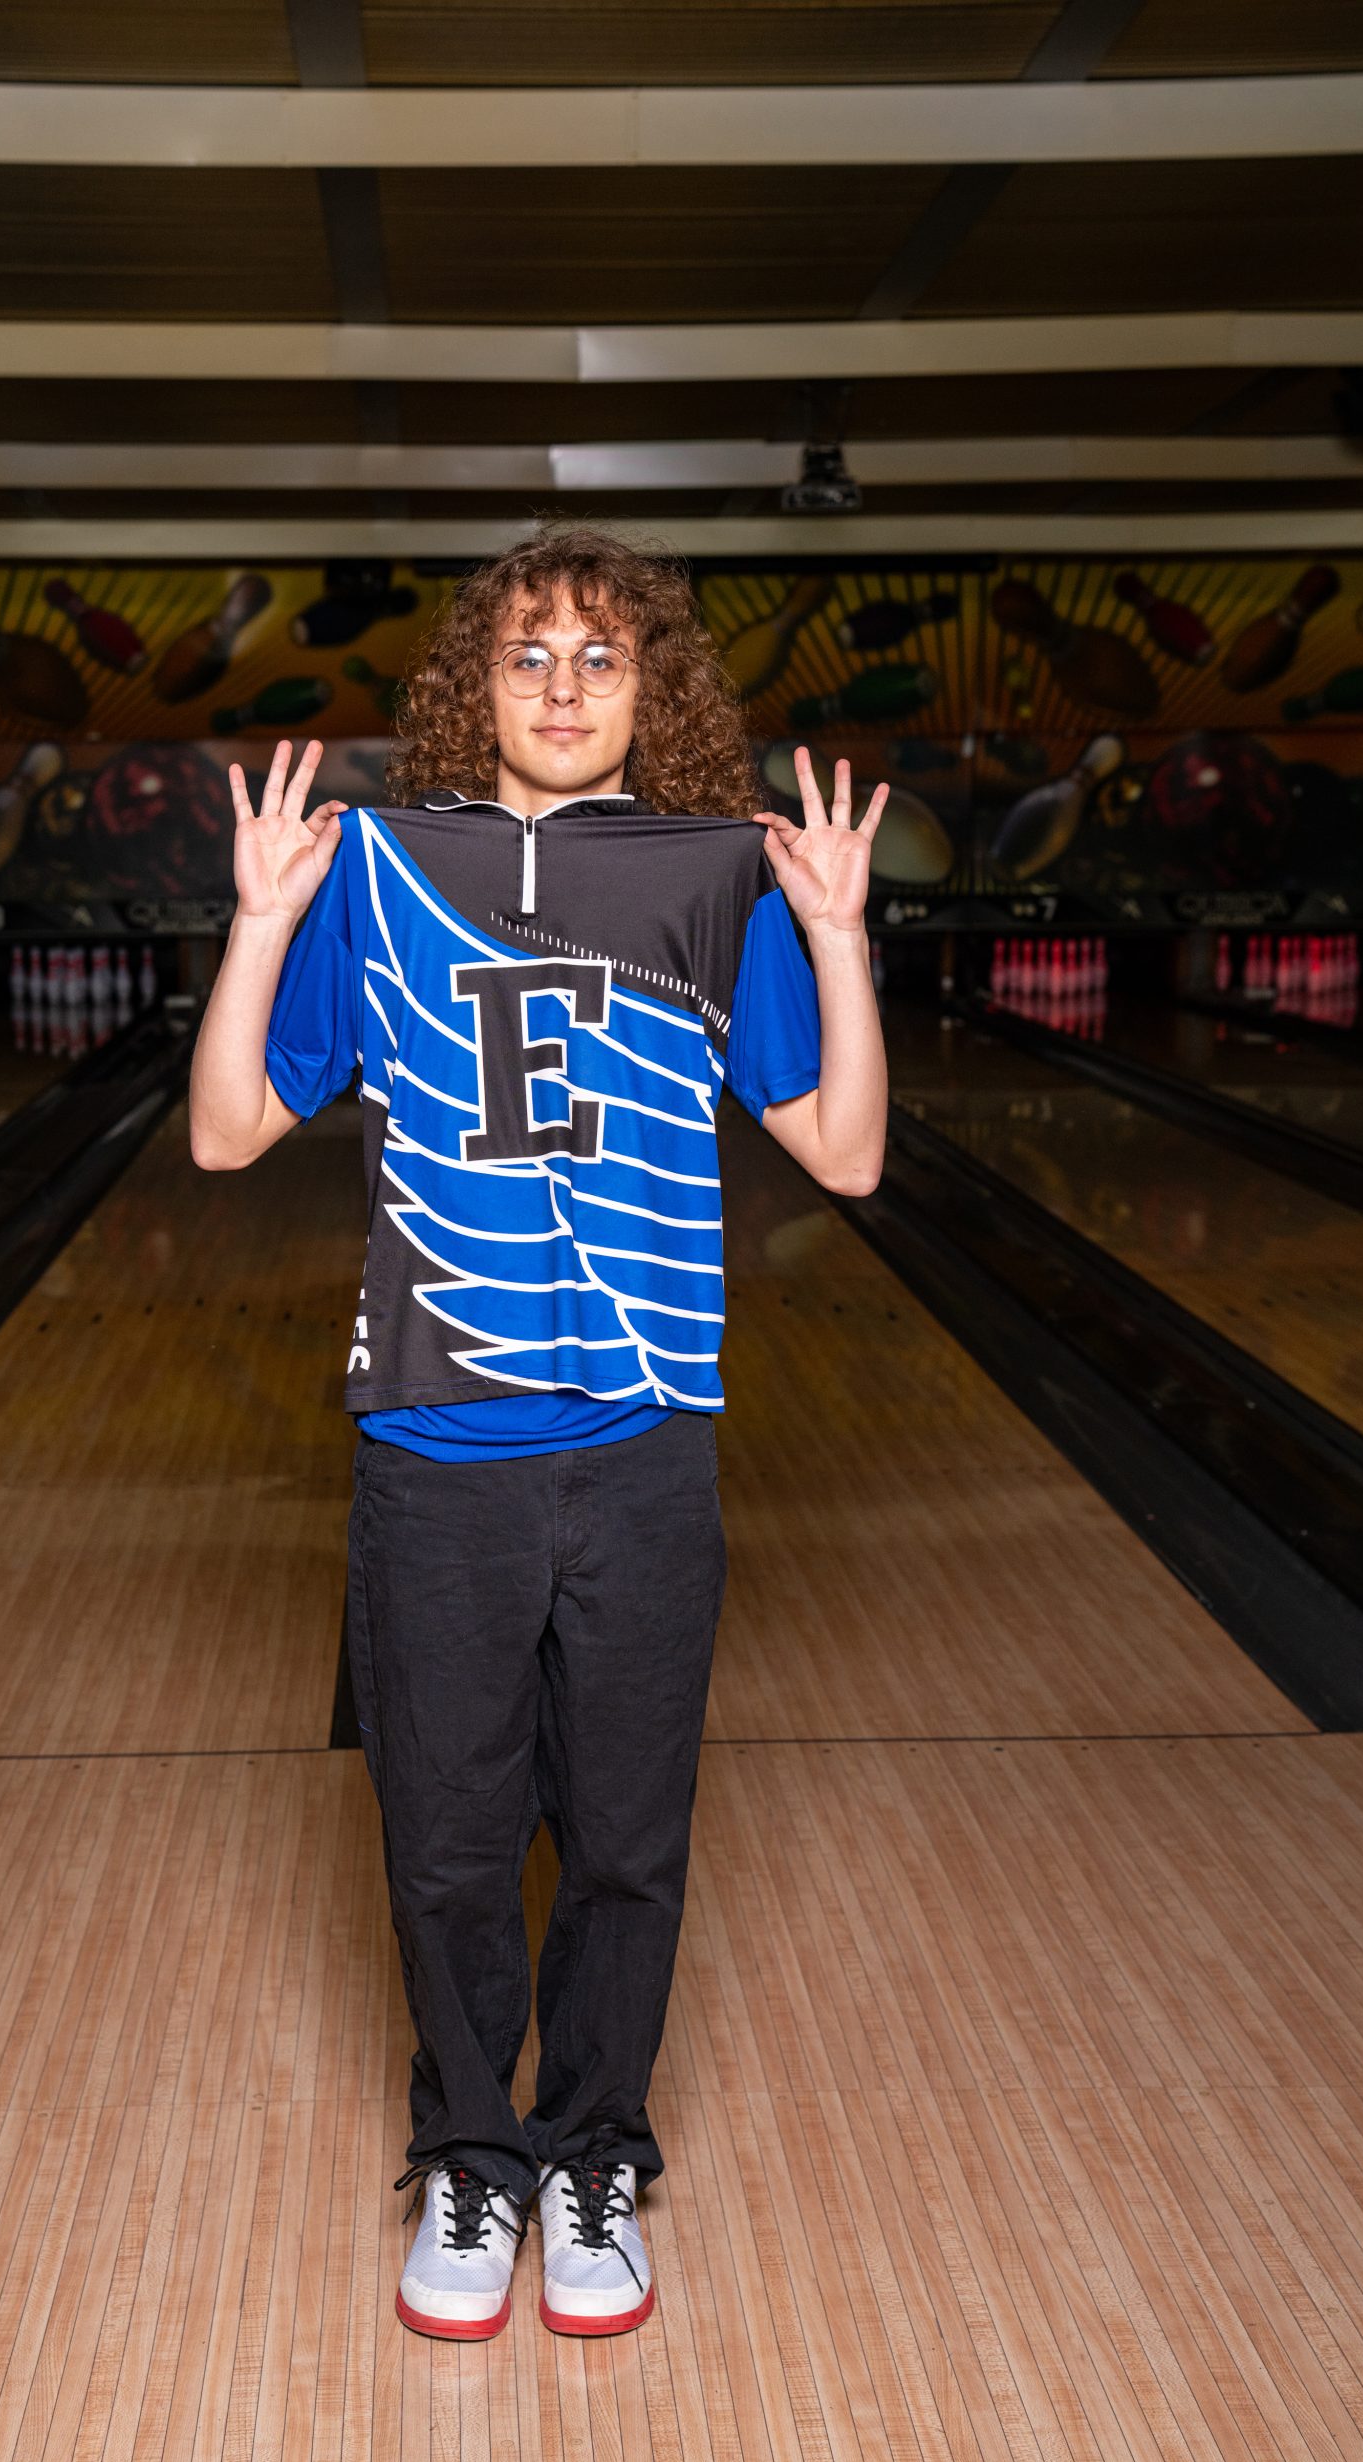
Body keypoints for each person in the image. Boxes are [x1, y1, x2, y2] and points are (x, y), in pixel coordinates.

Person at [189, 523, 888, 2341]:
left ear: (652, 689)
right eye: (527, 655)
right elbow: (225, 1132)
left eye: (599, 657)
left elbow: (844, 1151)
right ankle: (472, 2158)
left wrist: (833, 938)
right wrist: (261, 925)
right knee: (444, 1847)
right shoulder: (378, 869)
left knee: (629, 1843)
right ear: (472, 686)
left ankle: (594, 2154)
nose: (563, 688)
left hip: (645, 1449)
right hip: (437, 1454)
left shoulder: (716, 877)